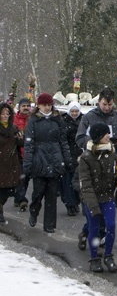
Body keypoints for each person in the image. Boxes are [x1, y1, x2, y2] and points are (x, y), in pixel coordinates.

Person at [23, 93, 73, 233]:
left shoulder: (58, 120)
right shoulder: (33, 120)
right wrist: (28, 163)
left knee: (52, 195)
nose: (47, 108)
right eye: (44, 105)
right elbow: (29, 143)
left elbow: (63, 141)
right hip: (39, 160)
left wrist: (67, 159)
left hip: (55, 160)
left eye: (49, 105)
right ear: (39, 106)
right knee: (38, 192)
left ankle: (49, 225)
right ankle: (34, 211)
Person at [78, 122, 117, 273]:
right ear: (98, 137)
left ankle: (109, 256)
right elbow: (86, 184)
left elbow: (115, 173)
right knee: (94, 228)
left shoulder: (111, 153)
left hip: (107, 196)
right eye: (105, 134)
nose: (109, 136)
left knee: (111, 226)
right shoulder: (86, 157)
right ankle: (94, 259)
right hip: (92, 199)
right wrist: (93, 206)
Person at [0, 103, 23, 223]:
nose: (5, 116)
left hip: (11, 163)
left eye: (7, 114)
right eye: (2, 114)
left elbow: (21, 144)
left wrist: (20, 139)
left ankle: (0, 205)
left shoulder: (13, 128)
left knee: (9, 189)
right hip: (0, 163)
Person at [60, 101, 83, 216]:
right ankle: (70, 204)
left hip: (80, 154)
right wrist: (66, 155)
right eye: (72, 111)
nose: (74, 114)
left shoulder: (83, 121)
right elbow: (63, 139)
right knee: (68, 182)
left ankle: (76, 202)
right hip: (68, 154)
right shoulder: (64, 122)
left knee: (78, 181)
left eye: (76, 111)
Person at [13, 98, 32, 211]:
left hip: (29, 154)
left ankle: (18, 197)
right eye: (23, 106)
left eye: (27, 106)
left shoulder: (33, 119)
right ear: (19, 107)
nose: (25, 108)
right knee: (21, 177)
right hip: (17, 154)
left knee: (26, 178)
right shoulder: (14, 119)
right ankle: (21, 199)